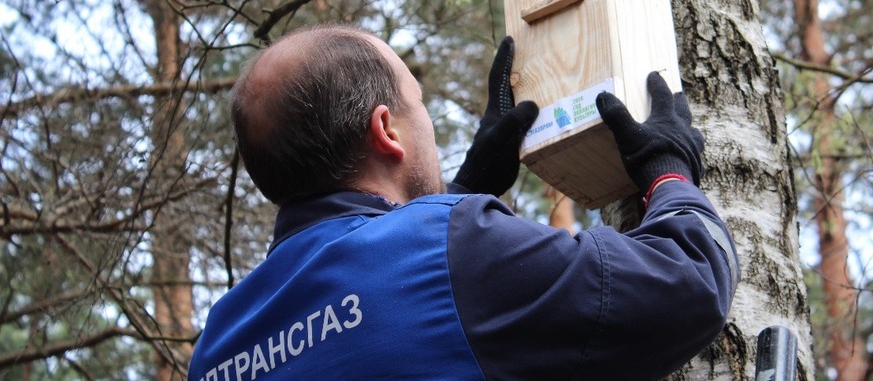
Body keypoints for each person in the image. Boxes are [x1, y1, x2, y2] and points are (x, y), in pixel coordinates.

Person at [189, 23, 737, 381]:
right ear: (387, 131)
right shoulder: (447, 247)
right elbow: (689, 284)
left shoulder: (217, 345)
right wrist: (670, 171)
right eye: (417, 103)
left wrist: (466, 185)